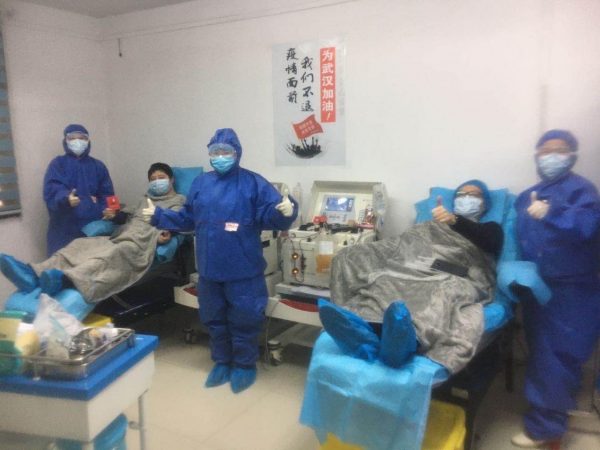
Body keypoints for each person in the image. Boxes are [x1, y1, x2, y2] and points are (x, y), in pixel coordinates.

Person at [143, 128, 297, 393]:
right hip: (210, 268)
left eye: (226, 151)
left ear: (237, 153)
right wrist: (159, 216)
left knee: (245, 318)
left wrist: (287, 212)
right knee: (213, 318)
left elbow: (272, 215)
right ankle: (222, 362)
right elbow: (188, 218)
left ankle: (245, 365)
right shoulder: (201, 184)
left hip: (243, 269)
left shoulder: (254, 183)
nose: (220, 156)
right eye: (215, 152)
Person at [321, 179, 504, 375]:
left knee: (440, 291)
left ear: (485, 203)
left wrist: (455, 221)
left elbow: (490, 242)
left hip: (457, 275)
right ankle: (362, 330)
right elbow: (407, 243)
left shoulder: (491, 228)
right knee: (384, 280)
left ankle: (406, 342)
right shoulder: (434, 226)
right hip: (417, 268)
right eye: (461, 194)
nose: (466, 198)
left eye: (473, 194)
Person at [511, 130, 600, 448]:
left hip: (573, 290)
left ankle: (547, 429)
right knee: (542, 356)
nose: (552, 156)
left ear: (572, 155)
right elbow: (518, 241)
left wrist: (553, 213)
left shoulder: (582, 191)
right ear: (536, 156)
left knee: (557, 359)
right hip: (538, 289)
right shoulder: (527, 196)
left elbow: (589, 226)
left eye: (560, 150)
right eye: (545, 151)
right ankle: (549, 421)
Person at [0, 163, 185, 303]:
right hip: (120, 235)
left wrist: (163, 236)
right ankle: (33, 273)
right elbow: (128, 216)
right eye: (153, 179)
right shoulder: (144, 199)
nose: (156, 181)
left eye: (161, 177)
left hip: (141, 243)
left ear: (171, 180)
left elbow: (177, 221)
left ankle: (63, 280)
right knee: (79, 245)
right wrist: (114, 215)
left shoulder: (179, 200)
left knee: (108, 257)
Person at [43, 124, 115, 256]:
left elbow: (108, 194)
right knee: (63, 262)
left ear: (88, 141)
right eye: (72, 138)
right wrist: (66, 198)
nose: (77, 141)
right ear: (65, 141)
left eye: (82, 138)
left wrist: (110, 210)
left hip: (94, 228)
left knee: (93, 263)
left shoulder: (98, 166)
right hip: (64, 228)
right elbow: (52, 189)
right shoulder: (58, 164)